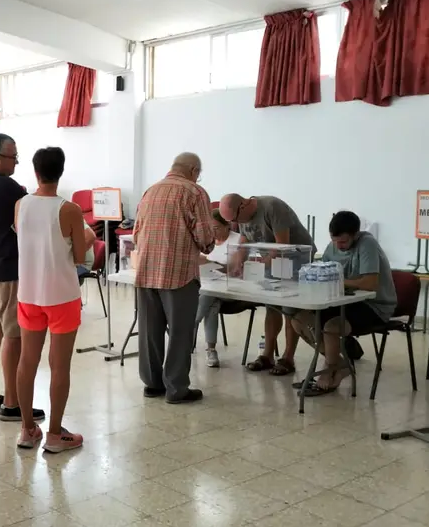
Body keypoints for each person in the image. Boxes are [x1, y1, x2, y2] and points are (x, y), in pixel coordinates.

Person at [14, 147, 87, 452]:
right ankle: (55, 434)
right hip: (61, 295)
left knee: (27, 362)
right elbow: (80, 258)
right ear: (61, 171)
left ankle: (28, 429)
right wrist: (90, 238)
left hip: (29, 293)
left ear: (36, 172)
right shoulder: (69, 209)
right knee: (59, 365)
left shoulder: (20, 205)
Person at [0, 133, 44, 422]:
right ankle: (12, 403)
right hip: (9, 272)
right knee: (13, 337)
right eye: (13, 156)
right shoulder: (5, 185)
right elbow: (32, 214)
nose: (16, 161)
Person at [133, 153, 214, 404]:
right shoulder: (195, 193)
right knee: (180, 332)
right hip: (178, 273)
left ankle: (152, 384)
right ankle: (177, 389)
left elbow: (136, 234)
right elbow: (205, 239)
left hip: (146, 271)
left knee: (149, 331)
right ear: (192, 170)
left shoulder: (150, 191)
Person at [292, 211, 397, 396]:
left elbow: (370, 283)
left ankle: (330, 371)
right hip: (341, 302)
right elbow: (321, 270)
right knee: (298, 319)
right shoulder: (333, 246)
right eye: (334, 241)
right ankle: (341, 364)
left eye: (343, 242)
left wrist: (335, 280)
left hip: (373, 305)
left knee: (332, 327)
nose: (338, 246)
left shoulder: (367, 244)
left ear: (355, 235)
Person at [220, 193, 316, 377]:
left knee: (290, 309)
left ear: (243, 204)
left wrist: (255, 266)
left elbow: (283, 246)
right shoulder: (240, 216)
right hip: (271, 264)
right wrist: (236, 264)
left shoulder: (272, 207)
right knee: (271, 308)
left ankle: (288, 358)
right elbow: (243, 243)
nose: (235, 224)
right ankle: (268, 354)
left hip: (295, 260)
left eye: (234, 219)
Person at [194, 210, 243, 368]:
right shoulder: (207, 242)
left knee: (207, 296)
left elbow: (237, 269)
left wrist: (212, 264)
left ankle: (191, 325)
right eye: (210, 228)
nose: (212, 232)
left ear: (227, 225)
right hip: (209, 286)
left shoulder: (238, 240)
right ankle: (211, 350)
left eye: (215, 228)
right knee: (211, 304)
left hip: (232, 288)